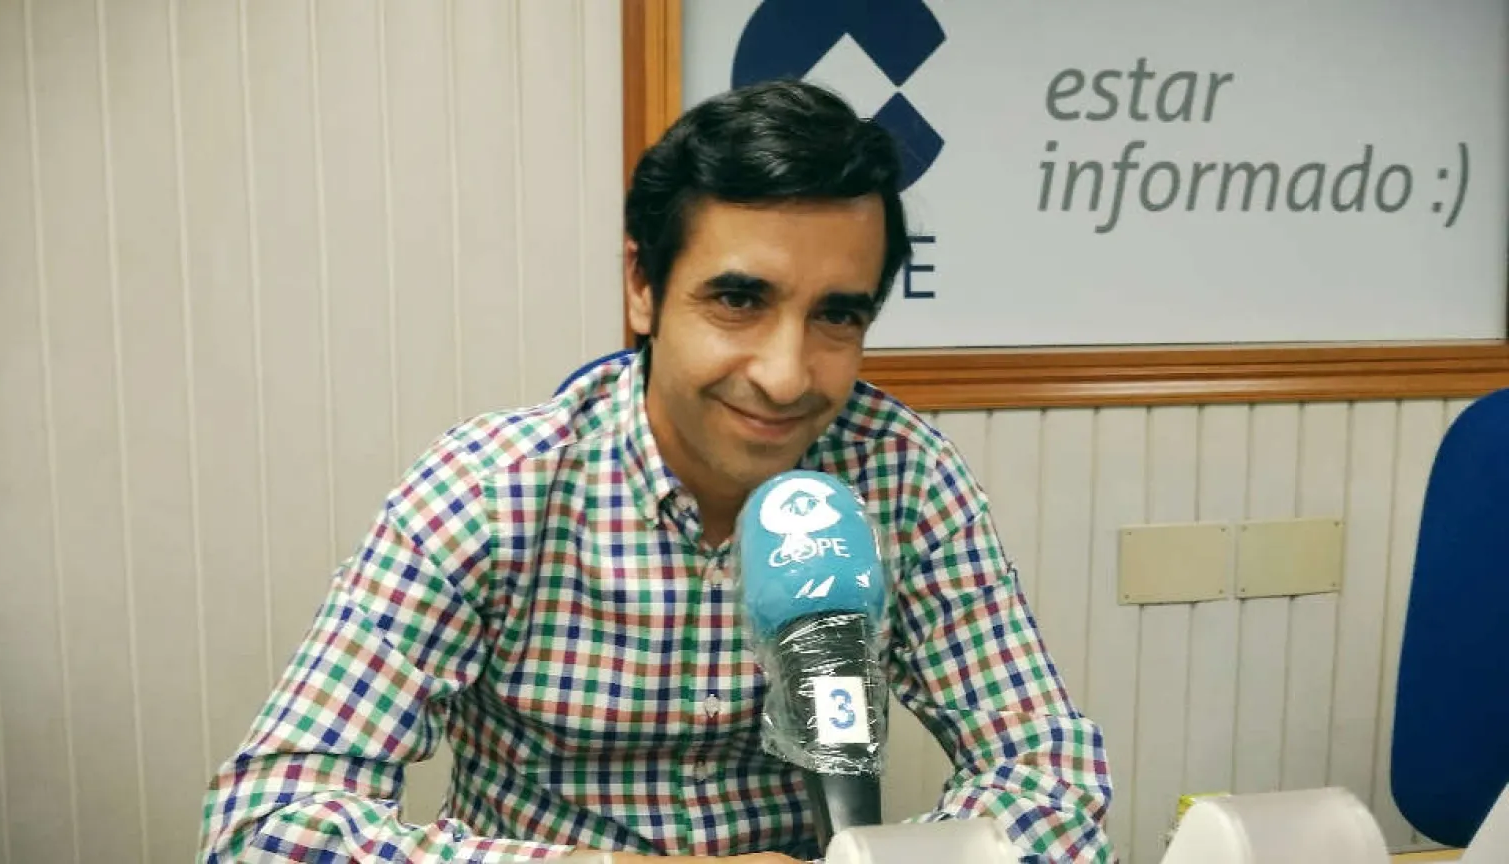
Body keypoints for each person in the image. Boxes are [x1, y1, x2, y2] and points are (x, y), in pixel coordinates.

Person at [199, 79, 1116, 863]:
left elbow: (1051, 781)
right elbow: (265, 827)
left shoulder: (900, 478)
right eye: (739, 300)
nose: (787, 376)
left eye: (837, 316)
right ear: (643, 287)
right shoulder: (489, 491)